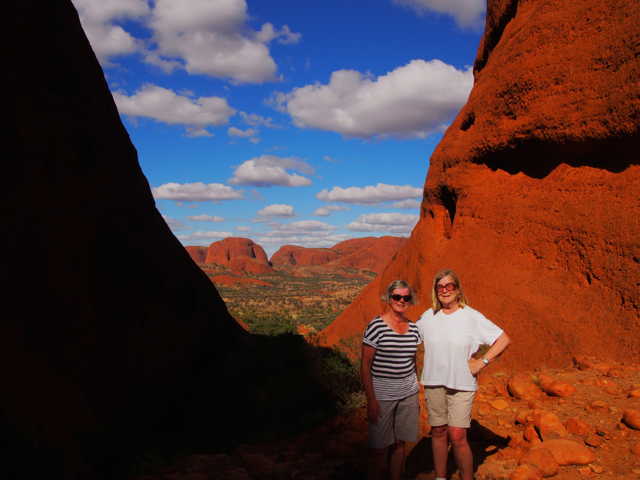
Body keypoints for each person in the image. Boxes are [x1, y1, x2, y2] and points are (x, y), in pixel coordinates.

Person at [416, 269, 512, 480]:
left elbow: (503, 339)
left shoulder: (471, 316)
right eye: (440, 287)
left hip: (462, 383)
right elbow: (409, 339)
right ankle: (441, 478)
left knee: (458, 436)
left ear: (458, 290)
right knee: (439, 432)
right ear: (436, 292)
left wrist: (482, 362)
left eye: (449, 286)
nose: (445, 290)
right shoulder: (428, 316)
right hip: (433, 381)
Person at [361, 279, 422, 480]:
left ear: (410, 300)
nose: (401, 300)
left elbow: (411, 361)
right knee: (377, 448)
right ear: (389, 298)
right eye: (397, 296)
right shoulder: (376, 326)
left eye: (405, 297)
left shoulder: (413, 329)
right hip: (382, 397)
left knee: (399, 443)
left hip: (408, 395)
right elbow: (365, 365)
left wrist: (415, 387)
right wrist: (371, 399)